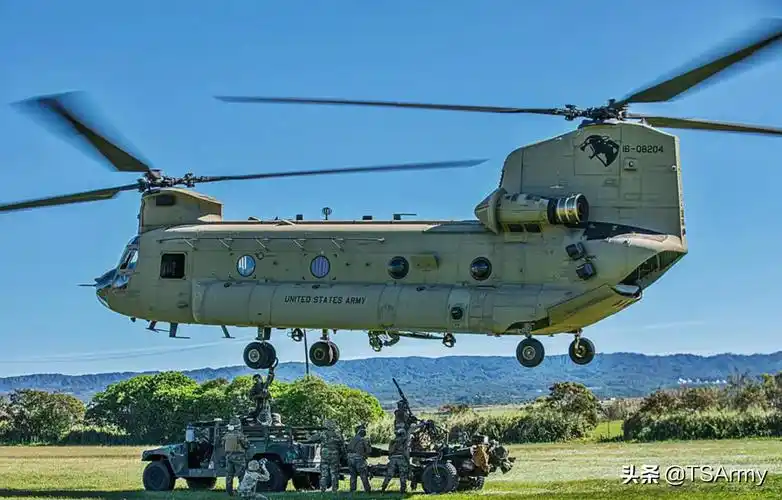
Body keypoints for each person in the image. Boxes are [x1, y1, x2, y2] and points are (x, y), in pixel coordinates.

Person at [307, 419, 345, 492]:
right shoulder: (338, 434)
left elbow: (310, 439)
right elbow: (342, 447)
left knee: (324, 474)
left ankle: (323, 489)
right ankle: (334, 489)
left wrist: (307, 434)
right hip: (335, 456)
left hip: (325, 456)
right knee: (334, 473)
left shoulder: (322, 433)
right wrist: (343, 456)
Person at [222, 416, 249, 496]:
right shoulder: (239, 435)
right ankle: (242, 492)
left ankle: (229, 492)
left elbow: (223, 444)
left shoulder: (226, 435)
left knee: (229, 475)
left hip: (228, 456)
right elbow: (246, 445)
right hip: (239, 457)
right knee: (241, 475)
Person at [381, 426, 411, 494]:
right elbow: (406, 452)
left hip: (393, 459)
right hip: (401, 458)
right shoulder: (404, 442)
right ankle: (402, 490)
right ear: (403, 434)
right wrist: (408, 462)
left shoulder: (392, 441)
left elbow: (390, 451)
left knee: (389, 475)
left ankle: (383, 488)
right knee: (402, 474)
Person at [346, 424, 372, 493]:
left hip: (350, 459)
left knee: (353, 475)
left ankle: (352, 490)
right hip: (359, 459)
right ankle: (367, 490)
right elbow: (369, 451)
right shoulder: (364, 440)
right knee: (363, 475)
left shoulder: (352, 439)